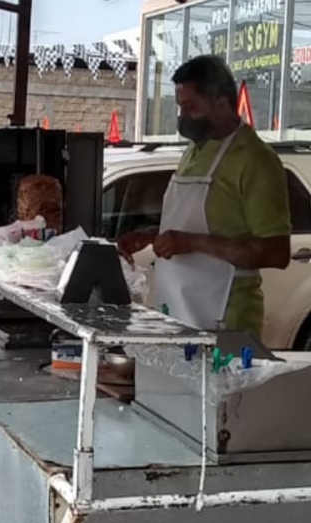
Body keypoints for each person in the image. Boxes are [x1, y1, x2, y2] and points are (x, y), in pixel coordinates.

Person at [117, 55, 291, 338]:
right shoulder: (195, 149)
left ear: (221, 102)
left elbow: (277, 252)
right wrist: (151, 235)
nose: (182, 118)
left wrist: (191, 242)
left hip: (226, 317)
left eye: (190, 107)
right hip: (177, 308)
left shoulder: (256, 160)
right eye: (180, 108)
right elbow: (203, 221)